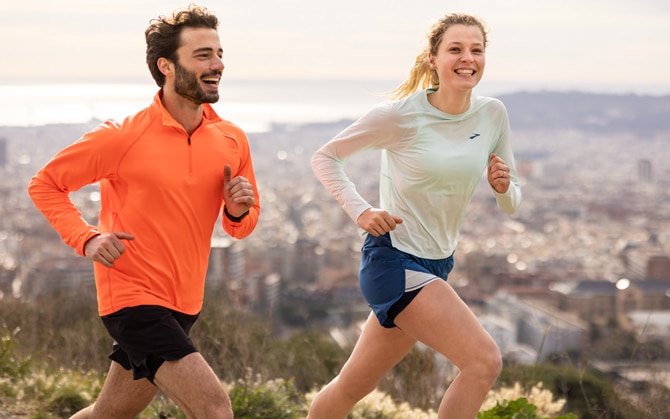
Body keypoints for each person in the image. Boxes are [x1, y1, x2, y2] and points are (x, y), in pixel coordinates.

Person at [28, 5, 259, 418]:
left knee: (108, 414)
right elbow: (45, 184)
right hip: (132, 299)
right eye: (202, 54)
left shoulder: (231, 140)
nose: (218, 64)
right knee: (214, 407)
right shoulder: (123, 137)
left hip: (185, 302)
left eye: (219, 53)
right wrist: (88, 237)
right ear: (166, 66)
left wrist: (238, 212)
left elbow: (240, 229)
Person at [308, 12, 521, 419]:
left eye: (476, 50)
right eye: (455, 49)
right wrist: (362, 211)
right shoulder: (401, 115)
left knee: (353, 385)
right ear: (432, 59)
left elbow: (512, 202)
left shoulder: (493, 114)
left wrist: (502, 186)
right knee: (484, 361)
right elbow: (325, 157)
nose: (467, 58)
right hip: (392, 259)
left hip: (438, 264)